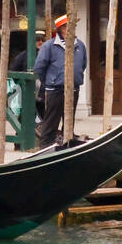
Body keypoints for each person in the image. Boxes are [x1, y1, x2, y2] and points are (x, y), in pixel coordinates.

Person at [33, 15, 87, 149]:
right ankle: (45, 147)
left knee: (69, 120)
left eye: (73, 26)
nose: (72, 28)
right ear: (61, 29)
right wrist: (51, 82)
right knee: (51, 120)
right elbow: (39, 68)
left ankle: (66, 145)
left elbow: (83, 64)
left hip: (74, 88)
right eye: (68, 26)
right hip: (54, 89)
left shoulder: (80, 45)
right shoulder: (49, 46)